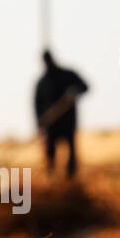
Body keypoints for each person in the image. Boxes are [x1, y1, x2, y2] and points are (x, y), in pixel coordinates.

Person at [34, 49, 88, 179]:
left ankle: (71, 180)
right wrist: (40, 122)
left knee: (71, 152)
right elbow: (36, 104)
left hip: (68, 122)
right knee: (50, 152)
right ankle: (51, 179)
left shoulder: (68, 75)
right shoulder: (42, 82)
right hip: (51, 126)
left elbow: (85, 86)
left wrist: (75, 91)